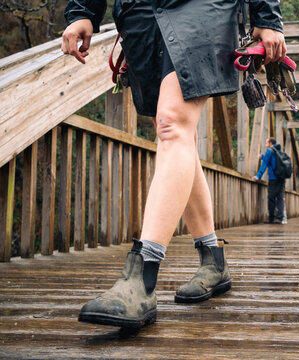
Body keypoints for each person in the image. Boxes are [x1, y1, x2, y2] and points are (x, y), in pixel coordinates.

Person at [61, 0, 286, 328]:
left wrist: (267, 18)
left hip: (203, 7)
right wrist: (83, 12)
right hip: (140, 13)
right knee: (177, 133)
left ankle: (141, 277)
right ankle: (213, 260)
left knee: (171, 123)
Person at [252, 138, 286, 224]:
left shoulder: (269, 151)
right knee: (280, 198)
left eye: (266, 142)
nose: (265, 144)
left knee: (271, 198)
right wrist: (263, 157)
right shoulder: (279, 151)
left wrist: (258, 176)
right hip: (282, 178)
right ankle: (279, 218)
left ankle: (271, 218)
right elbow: (272, 161)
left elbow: (265, 164)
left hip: (273, 178)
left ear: (270, 143)